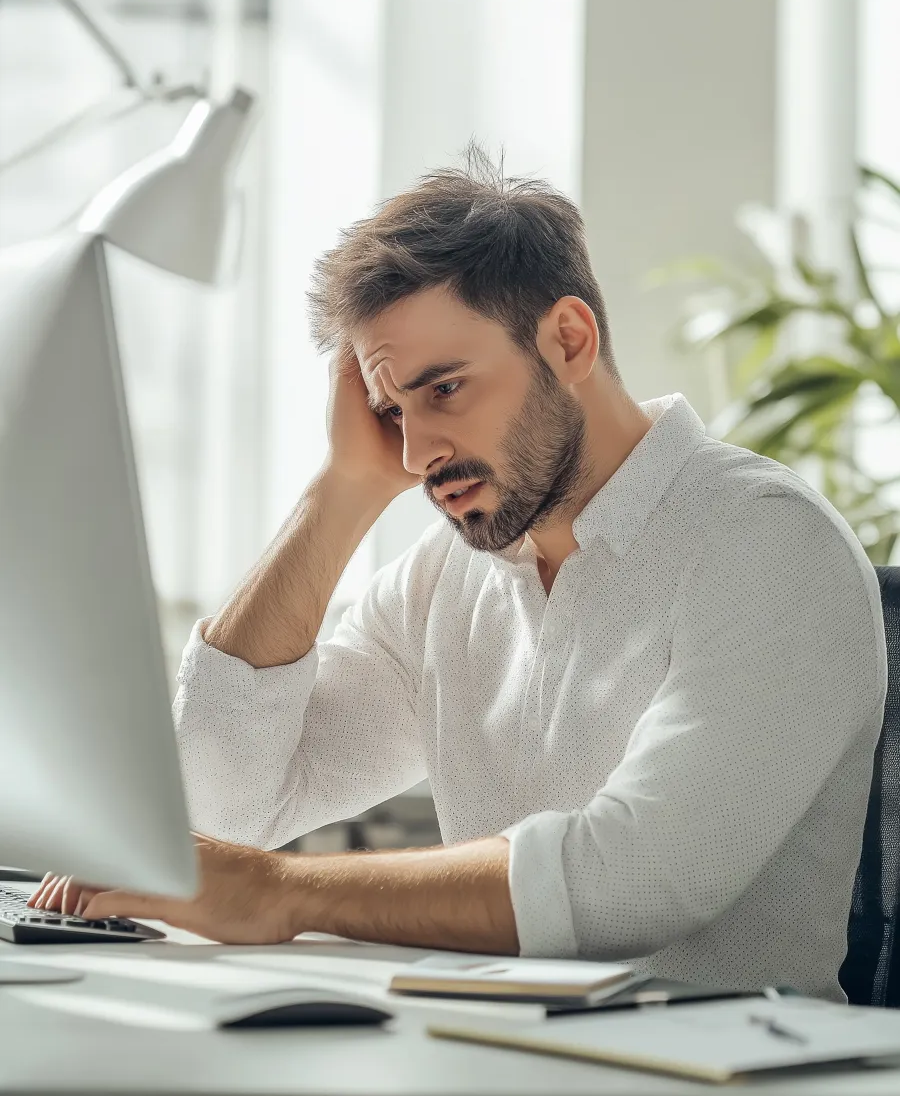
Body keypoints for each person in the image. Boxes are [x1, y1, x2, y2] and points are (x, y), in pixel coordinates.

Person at [33, 145, 886, 1001]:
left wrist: (279, 892)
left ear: (569, 339)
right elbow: (214, 810)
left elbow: (634, 881)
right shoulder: (446, 580)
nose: (415, 451)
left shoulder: (766, 541)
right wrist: (344, 490)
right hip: (484, 1054)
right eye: (389, 409)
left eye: (443, 389)